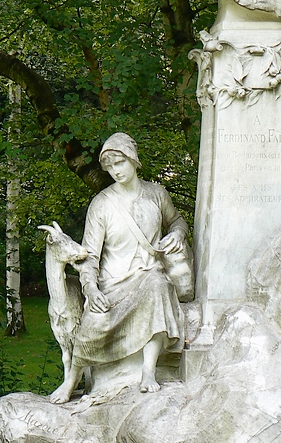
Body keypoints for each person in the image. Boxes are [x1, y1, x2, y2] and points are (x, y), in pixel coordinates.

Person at [49, 132, 189, 403]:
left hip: (148, 275)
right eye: (109, 166)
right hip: (112, 284)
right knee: (91, 326)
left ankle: (148, 371)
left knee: (158, 287)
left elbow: (177, 221)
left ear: (134, 161)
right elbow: (90, 256)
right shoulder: (101, 204)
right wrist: (90, 289)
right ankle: (72, 379)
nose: (115, 171)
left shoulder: (156, 194)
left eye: (120, 163)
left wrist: (178, 234)